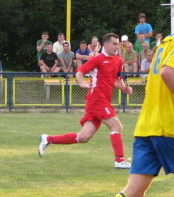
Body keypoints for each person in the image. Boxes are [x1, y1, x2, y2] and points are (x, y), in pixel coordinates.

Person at [79, 34, 174, 197]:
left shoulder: (165, 43)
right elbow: (167, 73)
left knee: (135, 191)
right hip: (168, 127)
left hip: (146, 127)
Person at [39, 33, 133, 169]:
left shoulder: (118, 61)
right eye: (114, 44)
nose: (117, 46)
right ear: (105, 45)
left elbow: (116, 80)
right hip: (97, 99)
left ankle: (48, 139)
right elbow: (79, 72)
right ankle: (119, 161)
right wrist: (82, 83)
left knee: (83, 137)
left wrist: (125, 89)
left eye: (118, 44)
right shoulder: (98, 59)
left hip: (99, 101)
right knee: (116, 126)